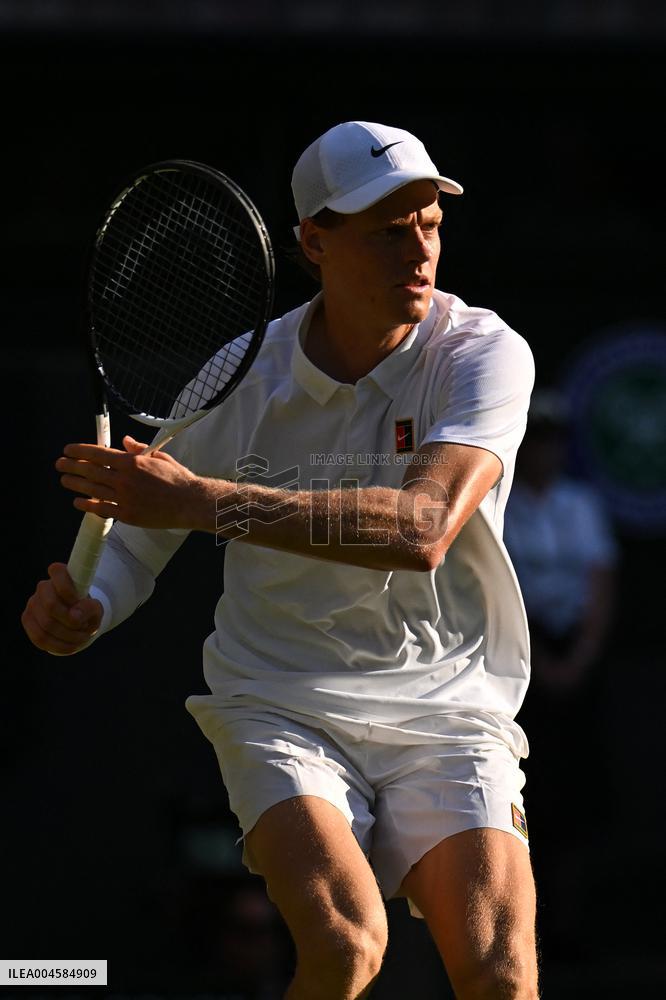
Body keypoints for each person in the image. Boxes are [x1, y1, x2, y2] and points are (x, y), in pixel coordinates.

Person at [22, 121, 538, 999]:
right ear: (313, 242)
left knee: (498, 970)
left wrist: (199, 498)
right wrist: (93, 603)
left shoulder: (482, 353)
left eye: (428, 223)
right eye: (386, 231)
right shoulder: (242, 376)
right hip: (280, 699)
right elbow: (139, 533)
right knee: (344, 946)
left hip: (449, 704)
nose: (418, 250)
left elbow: (421, 529)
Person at [503, 387, 618, 958]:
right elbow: (499, 592)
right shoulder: (501, 504)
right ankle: (527, 922)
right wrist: (537, 662)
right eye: (535, 441)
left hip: (578, 659)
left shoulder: (580, 504)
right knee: (532, 789)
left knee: (582, 794)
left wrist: (579, 659)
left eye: (552, 441)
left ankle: (577, 925)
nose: (543, 452)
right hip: (523, 662)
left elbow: (600, 587)